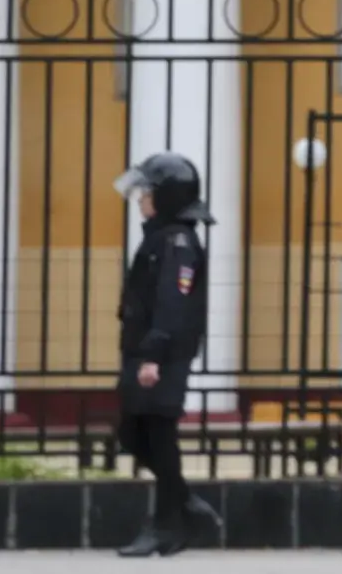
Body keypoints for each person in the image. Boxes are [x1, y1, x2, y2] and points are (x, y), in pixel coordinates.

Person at [113, 152, 223, 557]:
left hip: (162, 355)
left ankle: (166, 525)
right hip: (145, 352)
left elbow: (172, 304)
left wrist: (153, 357)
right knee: (133, 432)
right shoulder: (161, 237)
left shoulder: (178, 243)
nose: (140, 199)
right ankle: (185, 507)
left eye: (147, 192)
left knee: (158, 434)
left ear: (168, 196)